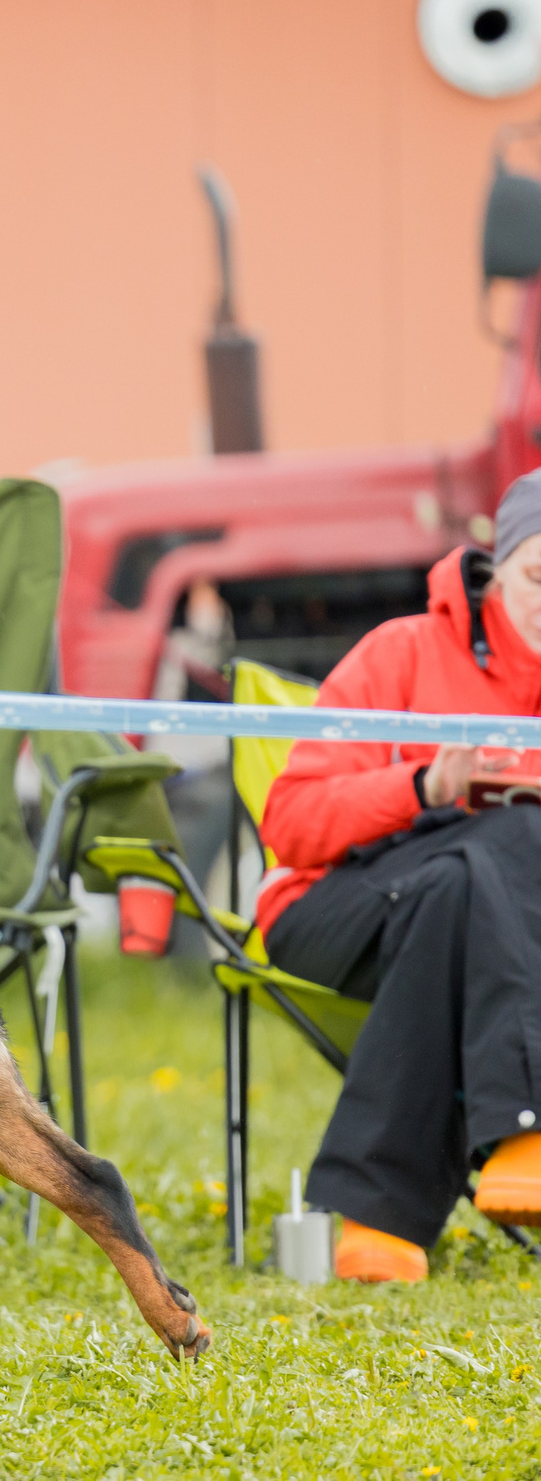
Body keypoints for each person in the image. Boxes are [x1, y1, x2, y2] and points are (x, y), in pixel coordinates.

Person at [258, 468, 541, 1282]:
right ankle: (522, 1133)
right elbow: (292, 825)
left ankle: (375, 1222)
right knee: (498, 841)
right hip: (331, 906)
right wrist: (427, 785)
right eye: (538, 576)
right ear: (501, 565)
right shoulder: (401, 649)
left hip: (466, 920)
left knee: (461, 887)